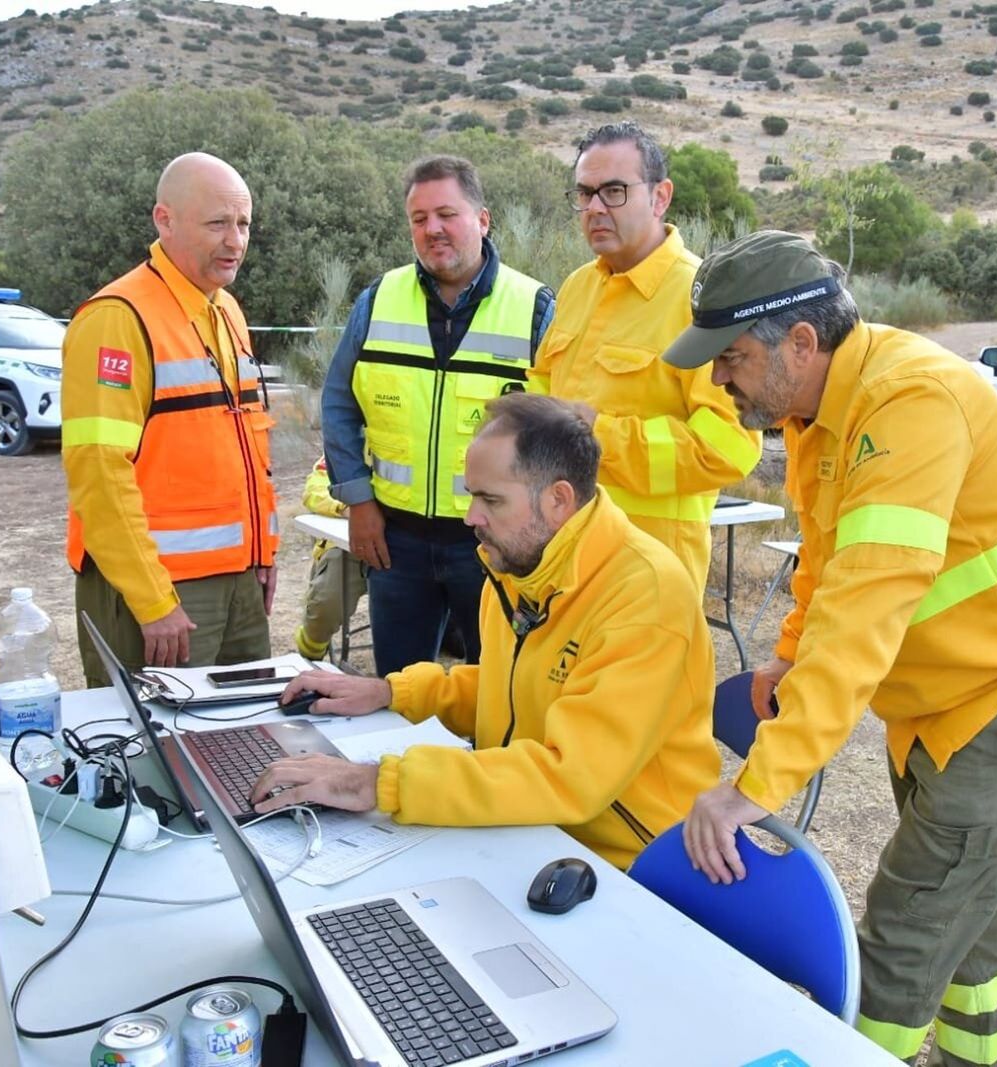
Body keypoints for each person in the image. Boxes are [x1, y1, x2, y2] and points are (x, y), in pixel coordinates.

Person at [664, 231, 997, 1066]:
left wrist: (755, 788)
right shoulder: (816, 411)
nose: (717, 378)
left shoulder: (908, 404)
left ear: (801, 343)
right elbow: (827, 569)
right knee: (967, 914)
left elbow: (867, 610)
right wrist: (787, 655)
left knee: (904, 938)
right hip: (934, 709)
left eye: (729, 357)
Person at [253, 393, 720, 870]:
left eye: (490, 499)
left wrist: (374, 783)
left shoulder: (645, 596)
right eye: (472, 494)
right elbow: (514, 688)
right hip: (530, 832)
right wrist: (390, 691)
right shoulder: (525, 561)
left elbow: (572, 777)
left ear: (558, 499)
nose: (470, 517)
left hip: (630, 865)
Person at [321, 154, 555, 676]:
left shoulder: (535, 307)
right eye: (419, 219)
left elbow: (558, 433)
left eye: (447, 214)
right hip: (394, 543)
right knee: (396, 692)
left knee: (500, 687)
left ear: (483, 219)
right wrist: (358, 500)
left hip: (495, 544)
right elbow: (338, 403)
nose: (433, 230)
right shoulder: (378, 300)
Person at [62, 152, 277, 688]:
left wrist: (262, 553)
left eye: (243, 223)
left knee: (242, 741)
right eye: (217, 224)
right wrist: (152, 599)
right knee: (151, 755)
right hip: (162, 597)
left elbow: (244, 440)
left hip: (238, 584)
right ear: (165, 220)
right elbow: (99, 473)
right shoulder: (117, 318)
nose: (235, 241)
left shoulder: (225, 310)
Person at [527, 121, 760, 596]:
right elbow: (541, 396)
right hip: (560, 554)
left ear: (660, 197)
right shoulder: (576, 288)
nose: (594, 208)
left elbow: (731, 446)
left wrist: (594, 436)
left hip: (651, 571)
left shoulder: (701, 298)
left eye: (613, 191)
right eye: (584, 193)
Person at [294, 456, 366, 662]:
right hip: (348, 546)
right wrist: (348, 508)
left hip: (408, 543)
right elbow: (314, 490)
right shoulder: (346, 445)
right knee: (328, 599)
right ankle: (311, 651)